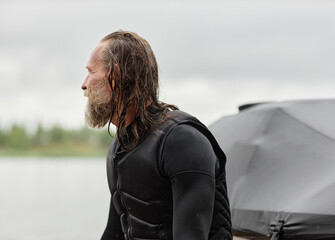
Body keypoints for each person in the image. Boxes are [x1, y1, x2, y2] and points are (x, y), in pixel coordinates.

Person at [81, 30, 232, 240]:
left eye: (90, 72)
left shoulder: (181, 141)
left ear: (114, 76)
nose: (84, 84)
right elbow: (113, 234)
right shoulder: (120, 146)